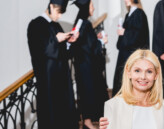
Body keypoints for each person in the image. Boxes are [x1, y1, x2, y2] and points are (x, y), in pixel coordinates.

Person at [27, 0, 79, 129]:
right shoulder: (36, 24)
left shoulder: (56, 25)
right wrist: (57, 39)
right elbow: (42, 50)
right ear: (50, 6)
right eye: (58, 12)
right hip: (48, 82)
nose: (60, 16)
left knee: (65, 116)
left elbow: (63, 54)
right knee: (52, 118)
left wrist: (69, 43)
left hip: (62, 80)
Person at [100, 49, 164, 129]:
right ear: (129, 72)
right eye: (137, 71)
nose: (143, 77)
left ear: (156, 75)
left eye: (149, 71)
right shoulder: (113, 106)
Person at [71, 0, 109, 128]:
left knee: (86, 93)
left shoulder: (80, 22)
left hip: (82, 66)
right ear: (86, 7)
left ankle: (88, 121)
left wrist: (95, 39)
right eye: (91, 5)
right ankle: (87, 122)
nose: (93, 8)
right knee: (89, 93)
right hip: (87, 67)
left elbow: (86, 43)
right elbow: (90, 47)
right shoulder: (85, 24)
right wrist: (102, 42)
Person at [112, 0, 150, 96]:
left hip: (132, 54)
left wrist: (125, 33)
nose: (125, 1)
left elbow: (139, 36)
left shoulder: (139, 14)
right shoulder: (129, 14)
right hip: (125, 54)